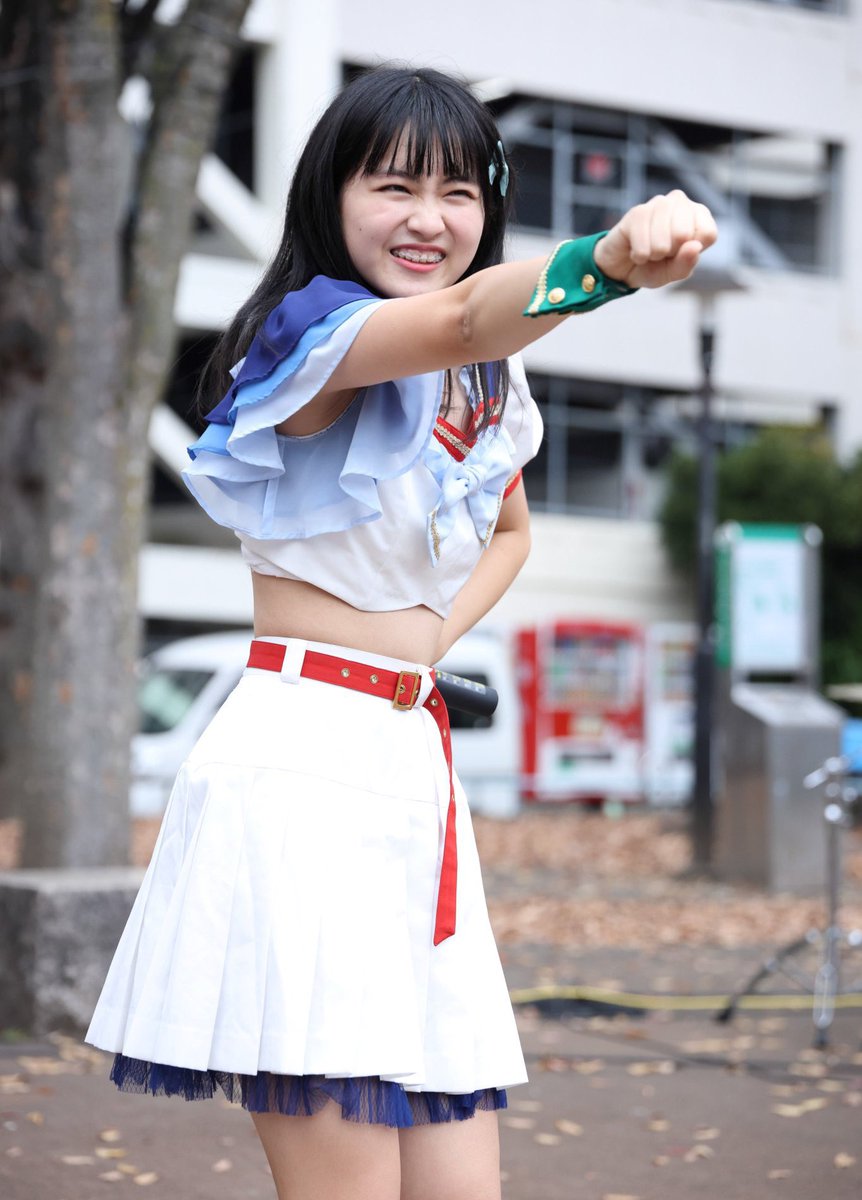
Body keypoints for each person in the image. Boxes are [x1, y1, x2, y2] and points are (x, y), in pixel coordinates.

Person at [86, 66, 716, 1200]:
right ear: (330, 194)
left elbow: (510, 531)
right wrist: (609, 260)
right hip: (302, 768)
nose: (429, 219)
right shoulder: (311, 334)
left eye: (458, 192)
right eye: (393, 186)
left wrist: (421, 648)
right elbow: (461, 315)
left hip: (408, 766)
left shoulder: (487, 375)